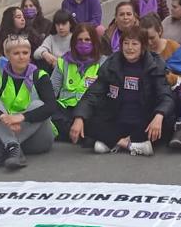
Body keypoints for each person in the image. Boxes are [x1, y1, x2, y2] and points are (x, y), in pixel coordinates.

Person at [71, 27, 173, 156]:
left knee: (167, 120)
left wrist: (159, 115)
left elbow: (166, 96)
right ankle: (129, 144)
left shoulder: (154, 64)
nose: (129, 48)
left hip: (144, 120)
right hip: (117, 120)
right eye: (126, 43)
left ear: (143, 47)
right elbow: (93, 94)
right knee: (85, 119)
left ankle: (111, 141)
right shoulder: (112, 63)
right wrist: (79, 117)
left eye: (134, 44)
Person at [0, 36, 61, 169]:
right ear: (7, 55)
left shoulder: (40, 75)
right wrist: (3, 117)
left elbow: (51, 107)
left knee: (38, 105)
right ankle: (12, 146)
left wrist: (22, 117)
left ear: (30, 54)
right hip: (4, 131)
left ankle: (6, 149)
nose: (21, 57)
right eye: (16, 53)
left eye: (25, 53)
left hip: (38, 139)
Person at [51, 23, 106, 139]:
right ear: (74, 43)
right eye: (79, 40)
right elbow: (52, 90)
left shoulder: (104, 62)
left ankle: (69, 133)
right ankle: (84, 136)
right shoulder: (63, 61)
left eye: (87, 40)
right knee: (49, 111)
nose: (83, 43)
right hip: (65, 109)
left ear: (95, 42)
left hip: (89, 109)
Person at [142, 15, 181, 86]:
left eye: (152, 38)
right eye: (144, 38)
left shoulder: (173, 48)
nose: (149, 42)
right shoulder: (139, 48)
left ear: (160, 31)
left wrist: (167, 77)